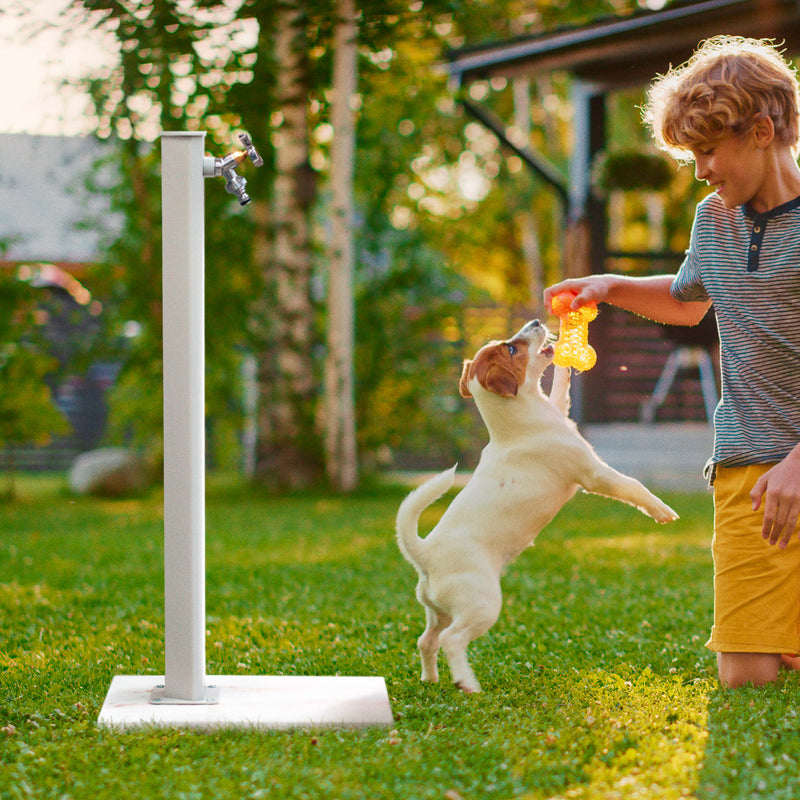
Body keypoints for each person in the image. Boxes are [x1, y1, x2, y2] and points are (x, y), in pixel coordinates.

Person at [544, 36, 800, 688]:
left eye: (709, 150)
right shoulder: (713, 221)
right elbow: (688, 301)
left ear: (764, 130)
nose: (701, 169)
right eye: (691, 155)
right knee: (747, 677)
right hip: (748, 467)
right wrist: (609, 286)